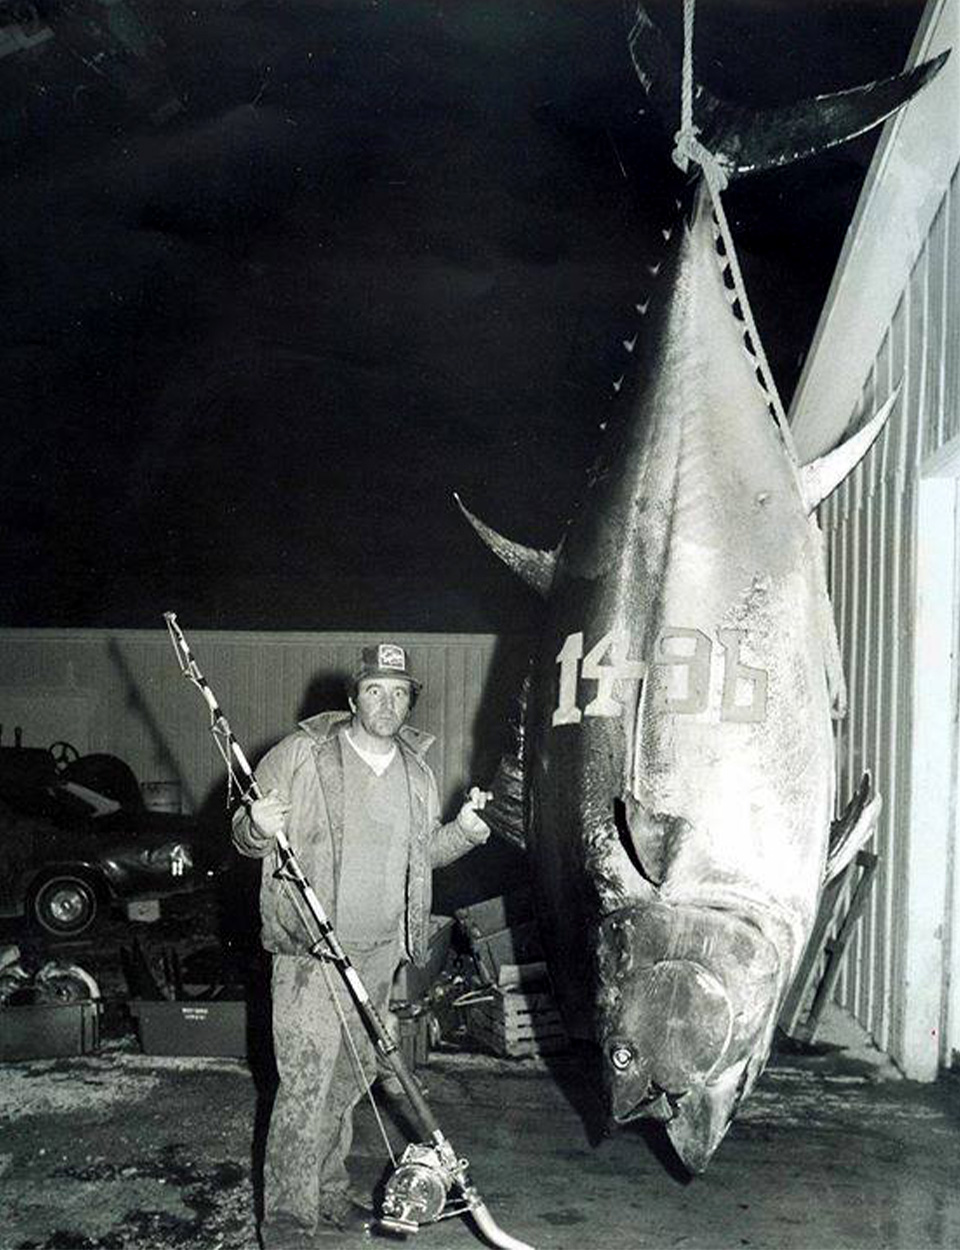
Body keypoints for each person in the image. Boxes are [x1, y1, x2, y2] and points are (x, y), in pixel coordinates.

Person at [232, 642, 492, 1249]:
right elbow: (246, 834)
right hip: (310, 951)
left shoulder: (417, 772)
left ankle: (324, 1192)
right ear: (353, 697)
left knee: (349, 1082)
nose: (387, 702)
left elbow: (420, 858)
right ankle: (290, 1222)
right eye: (375, 689)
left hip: (379, 952)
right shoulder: (301, 754)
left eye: (399, 692)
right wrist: (255, 827)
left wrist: (467, 834)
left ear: (409, 702)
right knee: (304, 1083)